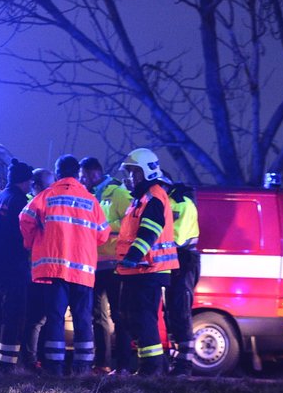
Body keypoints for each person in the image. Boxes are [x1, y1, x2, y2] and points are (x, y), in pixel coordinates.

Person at [20, 154, 109, 376]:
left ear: (58, 173)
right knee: (83, 320)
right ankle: (82, 368)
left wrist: (32, 241)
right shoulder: (91, 200)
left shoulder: (46, 196)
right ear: (78, 173)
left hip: (55, 270)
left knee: (55, 318)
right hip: (83, 272)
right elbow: (103, 234)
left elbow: (25, 219)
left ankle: (55, 368)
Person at [115, 148, 179, 376]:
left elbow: (150, 230)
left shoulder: (153, 196)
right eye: (130, 172)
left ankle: (151, 370)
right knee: (130, 317)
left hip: (147, 269)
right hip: (137, 270)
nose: (131, 177)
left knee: (143, 319)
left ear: (147, 172)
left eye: (134, 172)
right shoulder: (142, 198)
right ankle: (152, 367)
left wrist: (133, 256)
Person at [78, 156, 134, 373]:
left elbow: (130, 222)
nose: (81, 181)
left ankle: (124, 365)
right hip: (95, 264)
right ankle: (102, 363)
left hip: (114, 263)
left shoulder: (118, 193)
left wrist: (104, 226)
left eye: (84, 176)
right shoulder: (90, 196)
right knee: (97, 317)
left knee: (119, 316)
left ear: (94, 174)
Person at [0, 158, 34, 370]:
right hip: (15, 266)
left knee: (0, 315)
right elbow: (24, 236)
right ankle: (8, 365)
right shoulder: (20, 202)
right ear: (24, 182)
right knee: (14, 316)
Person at [159, 173, 201, 376]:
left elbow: (177, 238)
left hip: (184, 261)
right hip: (172, 262)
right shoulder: (166, 202)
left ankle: (184, 365)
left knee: (181, 312)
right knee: (171, 314)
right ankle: (176, 361)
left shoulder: (181, 204)